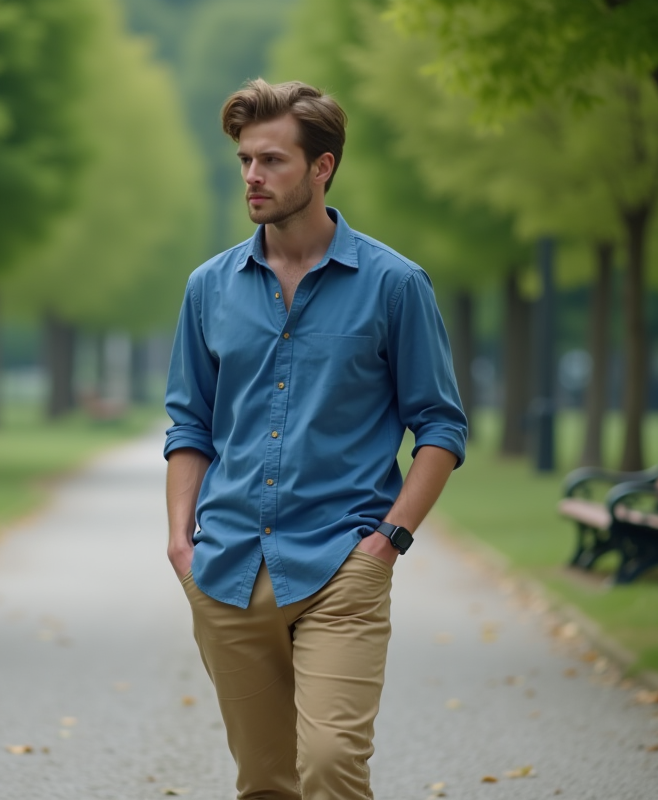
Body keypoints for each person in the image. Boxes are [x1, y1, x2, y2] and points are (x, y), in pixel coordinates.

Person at [163, 78, 468, 800]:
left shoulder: (395, 285)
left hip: (342, 566)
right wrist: (182, 540)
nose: (252, 177)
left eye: (272, 160)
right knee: (266, 782)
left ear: (322, 168)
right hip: (229, 569)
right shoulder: (208, 287)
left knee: (331, 765)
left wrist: (386, 543)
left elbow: (441, 426)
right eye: (244, 160)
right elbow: (190, 424)